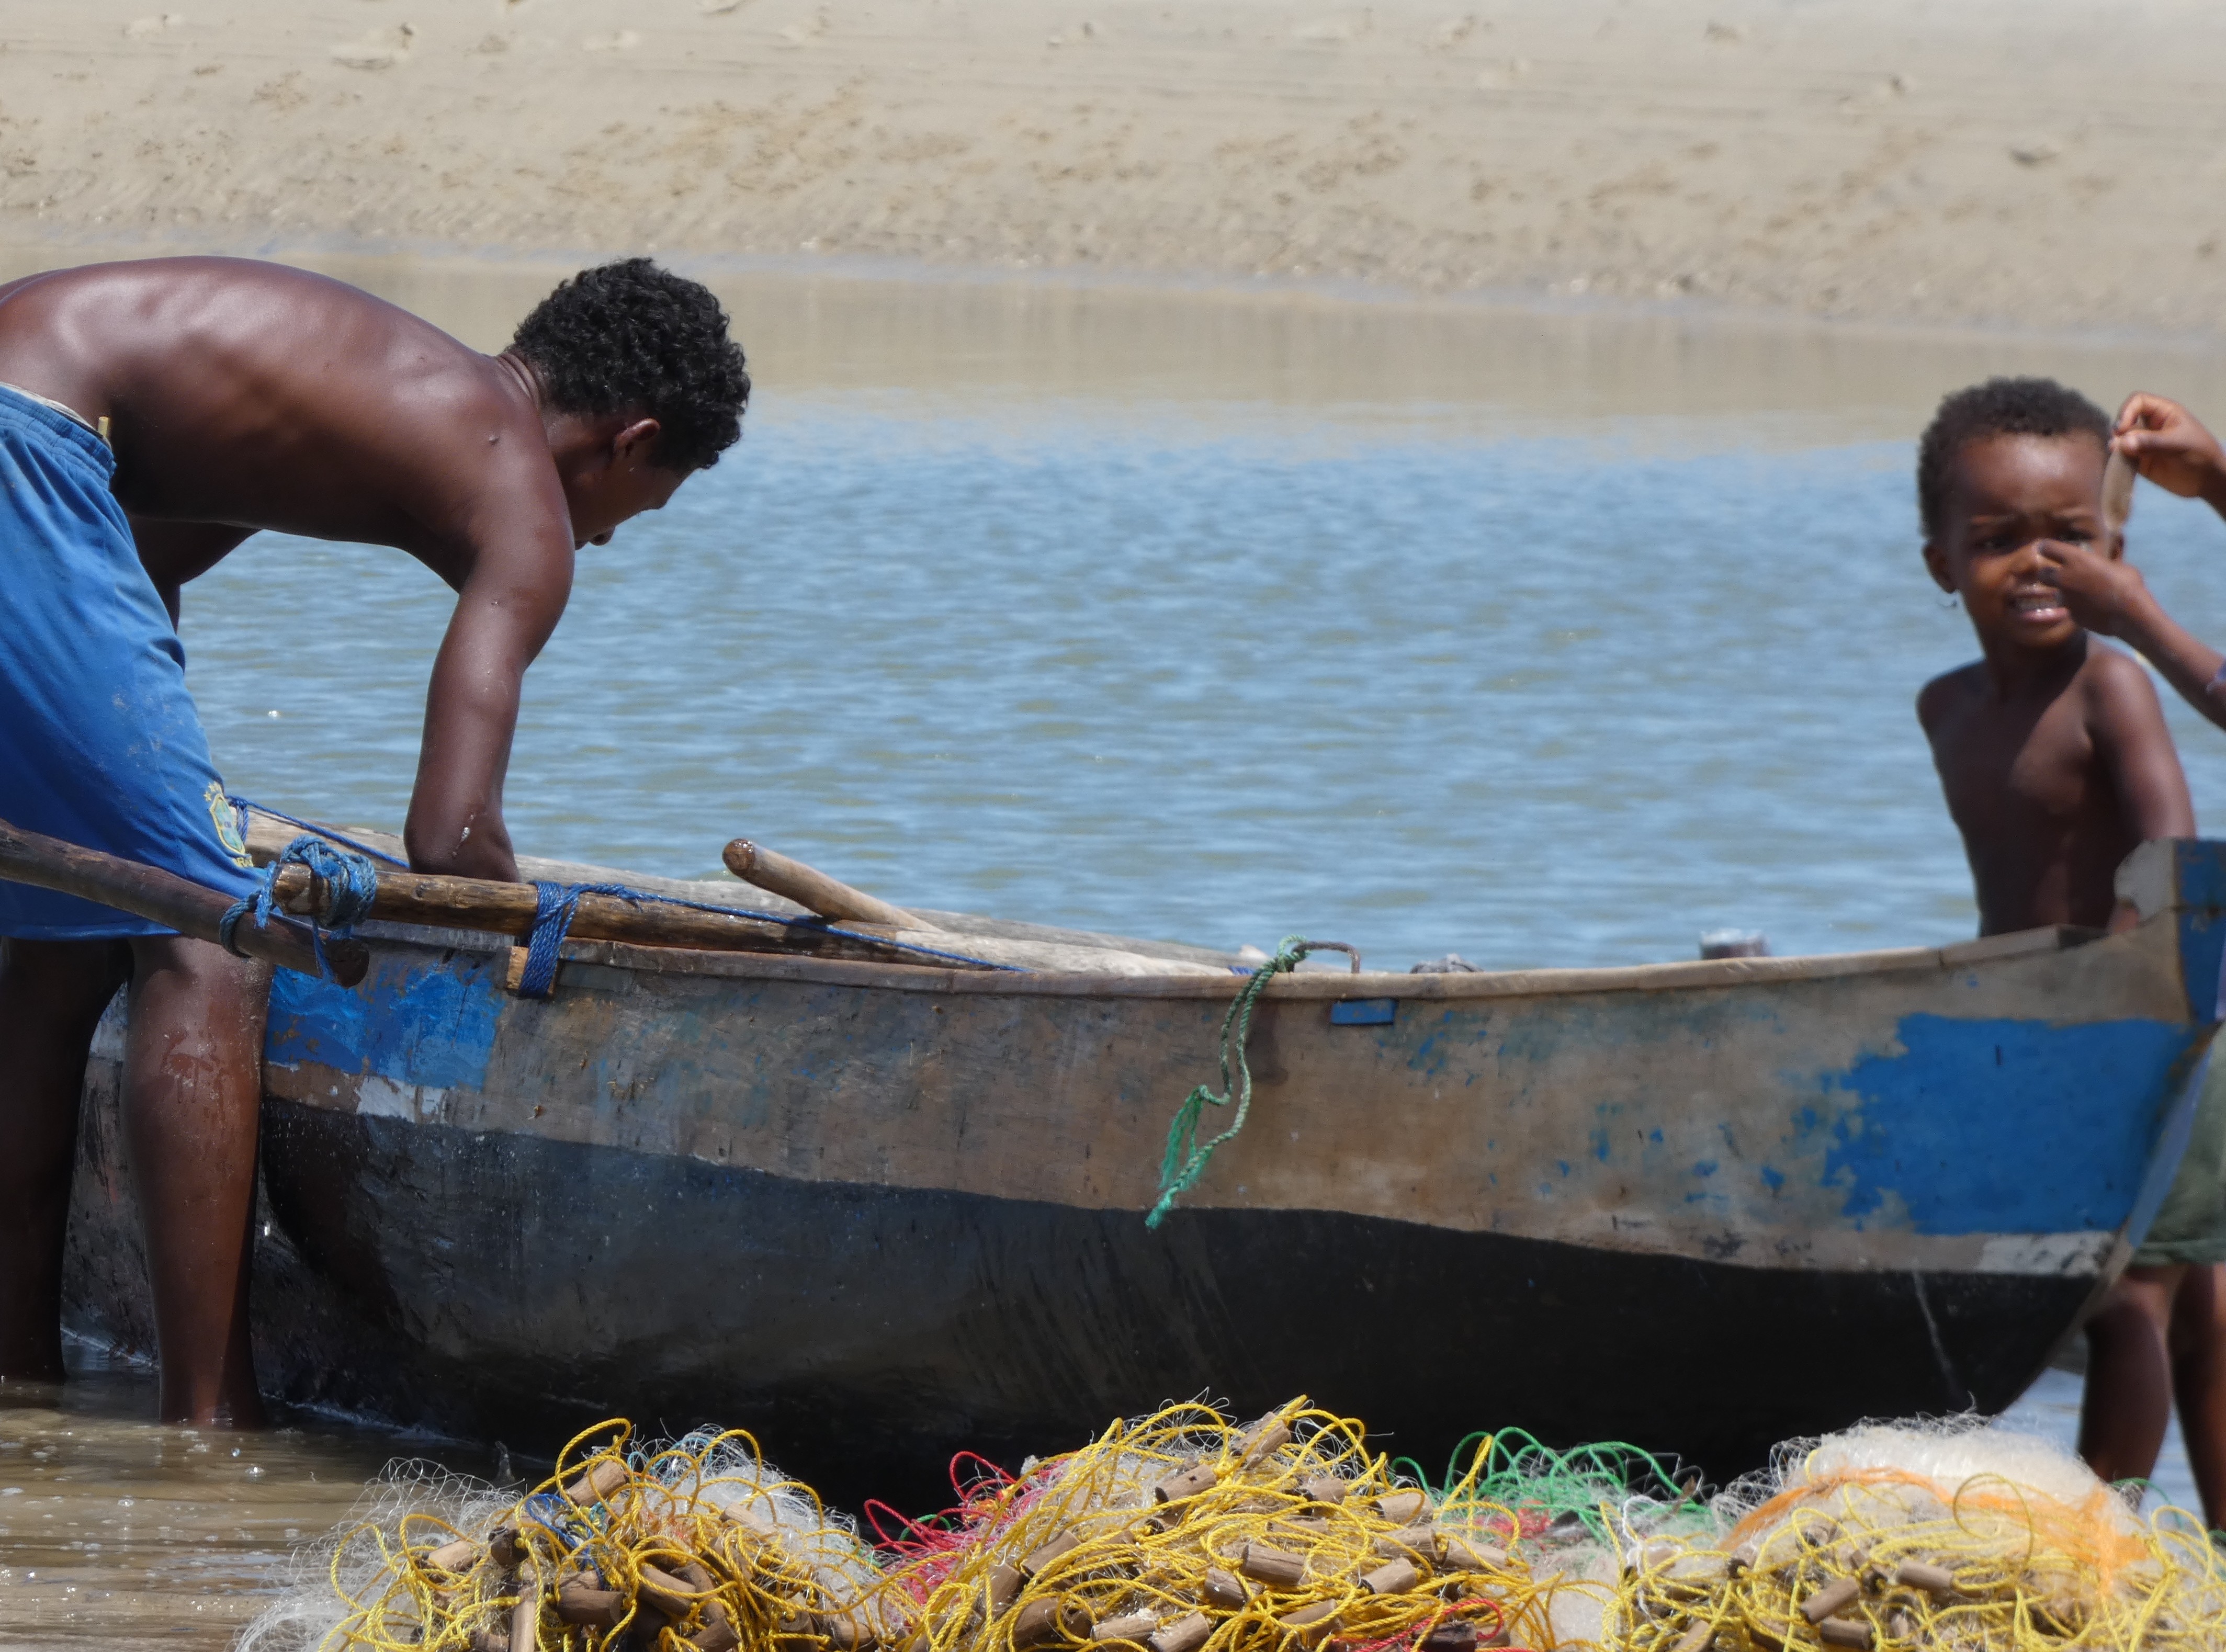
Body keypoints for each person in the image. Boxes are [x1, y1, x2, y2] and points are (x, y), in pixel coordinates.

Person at [0, 256, 750, 1424]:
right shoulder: (526, 502)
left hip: (32, 408)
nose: (599, 544)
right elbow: (449, 834)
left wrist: (140, 785)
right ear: (628, 439)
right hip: (27, 435)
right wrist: (521, 918)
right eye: (635, 512)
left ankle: (22, 1379)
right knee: (213, 942)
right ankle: (211, 1427)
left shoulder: (345, 403)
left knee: (69, 929)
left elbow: (139, 572)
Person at [1914, 375, 2226, 1525]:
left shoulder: (2113, 686)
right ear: (1940, 564)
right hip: (2036, 1038)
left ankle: (2104, 1545)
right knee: (2188, 1307)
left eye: (2071, 540)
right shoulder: (1943, 705)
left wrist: (2124, 1029)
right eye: (1996, 542)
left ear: (2117, 545)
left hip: (2145, 1035)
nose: (2038, 565)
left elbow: (2172, 862)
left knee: (2127, 1302)